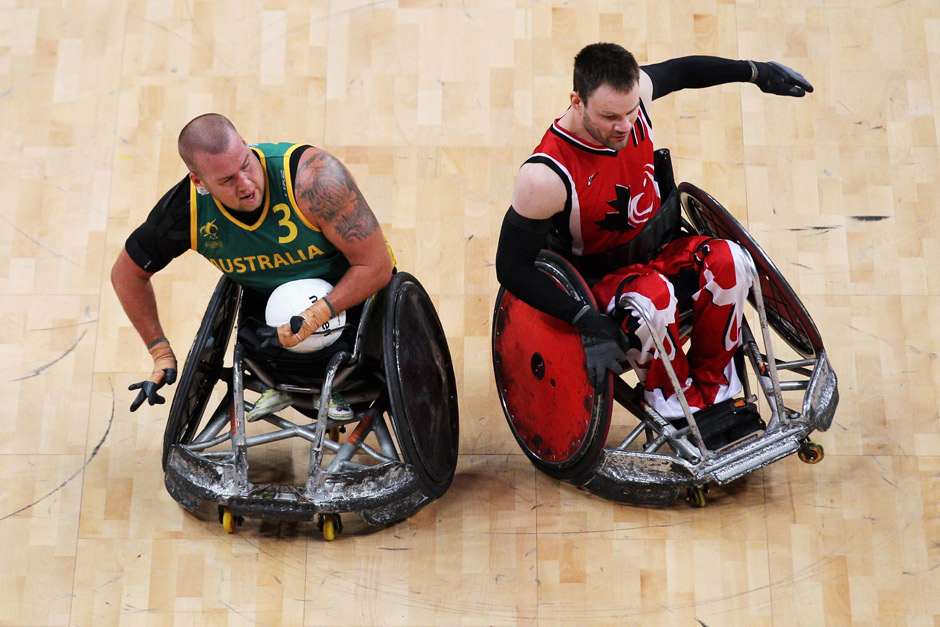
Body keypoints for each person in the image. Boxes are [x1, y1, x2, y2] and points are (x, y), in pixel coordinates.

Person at [495, 43, 812, 439]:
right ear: (577, 102)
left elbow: (682, 71)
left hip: (660, 252)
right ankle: (673, 406)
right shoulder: (544, 177)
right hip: (604, 282)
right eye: (609, 117)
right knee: (655, 297)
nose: (624, 126)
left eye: (630, 112)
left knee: (732, 261)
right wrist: (582, 317)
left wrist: (755, 71)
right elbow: (512, 268)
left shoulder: (633, 102)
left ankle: (716, 391)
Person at [112, 113, 394, 418]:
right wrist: (159, 351)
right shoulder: (186, 212)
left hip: (353, 298)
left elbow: (376, 266)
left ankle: (320, 378)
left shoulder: (313, 179)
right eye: (227, 180)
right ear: (199, 182)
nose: (245, 184)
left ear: (246, 145)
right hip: (270, 315)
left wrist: (316, 315)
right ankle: (286, 381)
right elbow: (126, 275)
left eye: (246, 165)